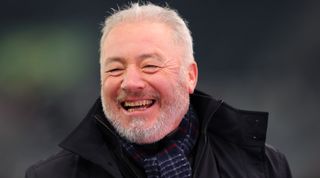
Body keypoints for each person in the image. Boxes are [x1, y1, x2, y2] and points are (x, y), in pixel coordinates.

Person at [26, 3, 292, 178]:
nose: (130, 82)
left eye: (150, 66)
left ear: (190, 76)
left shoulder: (265, 166)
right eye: (115, 69)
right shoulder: (52, 175)